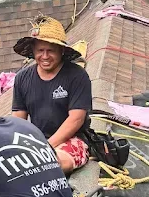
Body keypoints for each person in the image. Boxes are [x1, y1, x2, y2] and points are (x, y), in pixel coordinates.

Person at [11, 17, 92, 175]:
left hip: (73, 140)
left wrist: (47, 146)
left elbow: (76, 118)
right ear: (33, 51)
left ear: (61, 51)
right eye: (40, 51)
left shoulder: (77, 75)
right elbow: (18, 120)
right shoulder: (22, 78)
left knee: (51, 164)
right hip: (37, 141)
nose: (45, 56)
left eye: (51, 50)